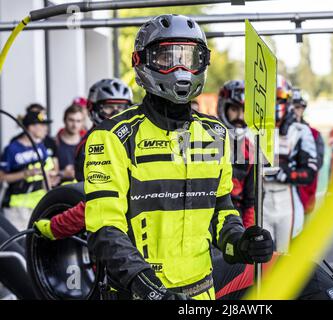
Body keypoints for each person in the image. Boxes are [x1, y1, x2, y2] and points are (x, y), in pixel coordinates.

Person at [37, 15, 273, 301]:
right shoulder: (112, 137)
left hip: (201, 294)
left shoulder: (216, 133)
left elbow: (221, 210)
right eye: (167, 57)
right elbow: (104, 229)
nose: (180, 69)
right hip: (135, 294)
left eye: (189, 57)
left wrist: (241, 243)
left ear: (204, 63)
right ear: (142, 60)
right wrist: (150, 291)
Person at [34, 78, 134, 239]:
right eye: (109, 107)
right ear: (93, 109)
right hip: (108, 230)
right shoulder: (94, 143)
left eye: (121, 107)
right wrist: (56, 227)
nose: (116, 113)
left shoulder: (135, 137)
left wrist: (55, 227)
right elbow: (98, 200)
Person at [263, 76, 318, 254]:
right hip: (261, 202)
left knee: (286, 256)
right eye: (270, 98)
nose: (275, 103)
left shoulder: (301, 131)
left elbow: (310, 172)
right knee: (262, 260)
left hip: (288, 201)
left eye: (279, 98)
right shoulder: (250, 131)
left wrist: (284, 173)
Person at [0, 110, 56, 230]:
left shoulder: (41, 146)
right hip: (16, 208)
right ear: (31, 127)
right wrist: (26, 173)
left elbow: (46, 173)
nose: (45, 128)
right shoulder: (12, 148)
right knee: (19, 244)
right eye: (42, 125)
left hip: (38, 205)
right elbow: (2, 177)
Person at [217, 80, 254, 228]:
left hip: (234, 220)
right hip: (205, 219)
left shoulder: (250, 148)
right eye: (234, 109)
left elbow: (250, 200)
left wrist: (247, 232)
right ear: (223, 107)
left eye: (244, 110)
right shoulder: (204, 139)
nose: (240, 116)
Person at [282, 89, 325, 215]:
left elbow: (317, 164)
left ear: (302, 109)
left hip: (304, 195)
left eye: (298, 107)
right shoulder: (275, 132)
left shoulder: (314, 134)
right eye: (292, 107)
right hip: (280, 199)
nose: (295, 110)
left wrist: (291, 173)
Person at [55, 105, 85, 182]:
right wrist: (62, 173)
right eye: (71, 120)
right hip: (59, 190)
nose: (75, 125)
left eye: (78, 121)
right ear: (64, 120)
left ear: (82, 123)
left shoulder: (86, 144)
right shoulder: (54, 143)